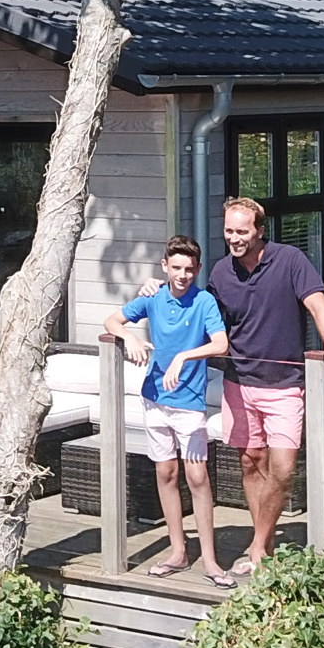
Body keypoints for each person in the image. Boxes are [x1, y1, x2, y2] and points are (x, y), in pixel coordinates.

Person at [205, 196, 324, 578]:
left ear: (260, 231)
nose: (234, 238)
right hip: (238, 381)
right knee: (251, 461)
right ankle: (262, 546)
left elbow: (319, 306)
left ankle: (255, 544)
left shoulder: (290, 260)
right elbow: (201, 315)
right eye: (229, 231)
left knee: (283, 470)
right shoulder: (220, 272)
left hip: (285, 383)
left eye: (242, 231)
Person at [107, 236, 234, 587]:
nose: (182, 275)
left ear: (197, 270)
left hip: (189, 402)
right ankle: (178, 551)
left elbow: (220, 343)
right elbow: (112, 321)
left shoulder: (204, 301)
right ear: (164, 266)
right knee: (165, 472)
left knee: (197, 477)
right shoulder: (153, 296)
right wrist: (130, 338)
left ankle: (210, 559)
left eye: (189, 269)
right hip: (154, 398)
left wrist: (183, 356)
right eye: (176, 268)